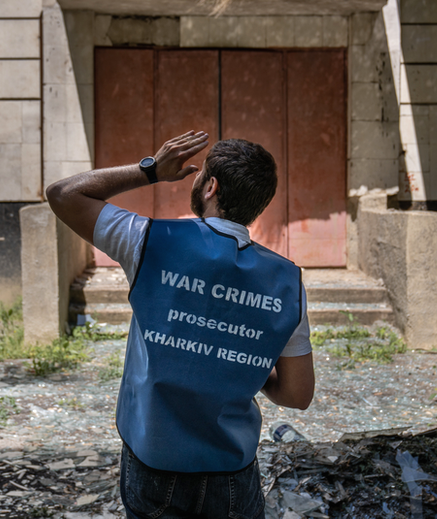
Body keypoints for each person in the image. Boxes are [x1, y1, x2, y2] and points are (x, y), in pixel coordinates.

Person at [46, 130, 314, 519]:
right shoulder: (288, 282)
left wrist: (150, 171)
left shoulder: (148, 239)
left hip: (154, 463)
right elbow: (297, 394)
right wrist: (246, 361)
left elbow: (63, 194)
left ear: (210, 186)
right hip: (231, 473)